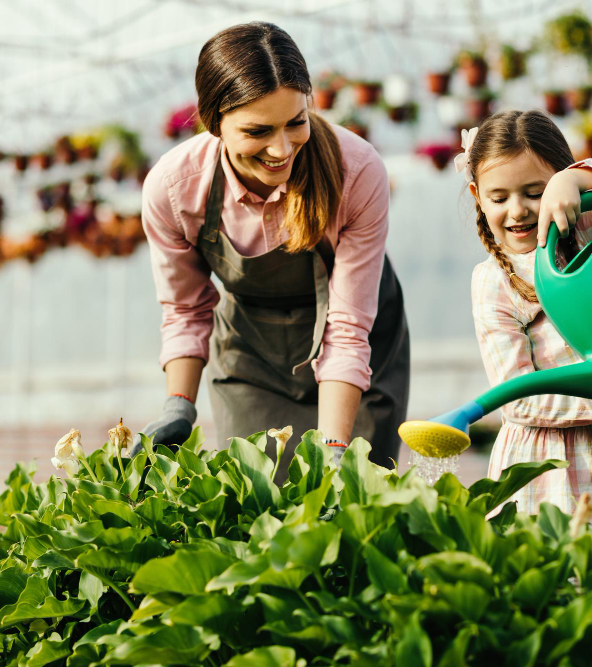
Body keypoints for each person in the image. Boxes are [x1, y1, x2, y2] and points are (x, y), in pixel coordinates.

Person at [135, 22, 410, 481]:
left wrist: (336, 449)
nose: (281, 149)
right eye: (258, 130)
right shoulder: (174, 188)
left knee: (353, 504)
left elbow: (346, 327)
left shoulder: (356, 171)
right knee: (260, 498)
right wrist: (178, 406)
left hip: (359, 351)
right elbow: (186, 308)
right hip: (251, 353)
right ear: (212, 120)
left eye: (296, 122)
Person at [460, 109, 592, 580]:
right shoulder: (494, 282)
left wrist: (577, 181)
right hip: (546, 461)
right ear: (477, 197)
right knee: (556, 579)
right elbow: (518, 397)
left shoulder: (591, 230)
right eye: (499, 197)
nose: (517, 210)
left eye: (535, 192)